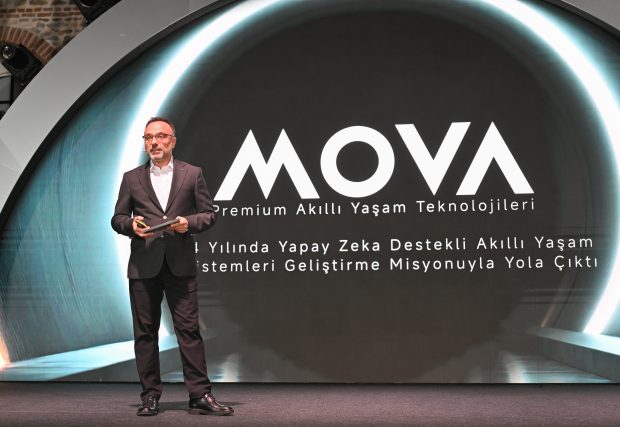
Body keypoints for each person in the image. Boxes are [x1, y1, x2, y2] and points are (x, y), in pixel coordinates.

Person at [111, 117, 233, 416]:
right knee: (145, 333)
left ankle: (200, 395)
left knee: (188, 331)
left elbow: (208, 214)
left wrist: (186, 223)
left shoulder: (192, 173)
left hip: (180, 264)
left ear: (172, 141)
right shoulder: (131, 178)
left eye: (160, 136)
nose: (154, 142)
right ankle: (150, 396)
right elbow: (118, 218)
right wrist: (131, 226)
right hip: (144, 265)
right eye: (148, 137)